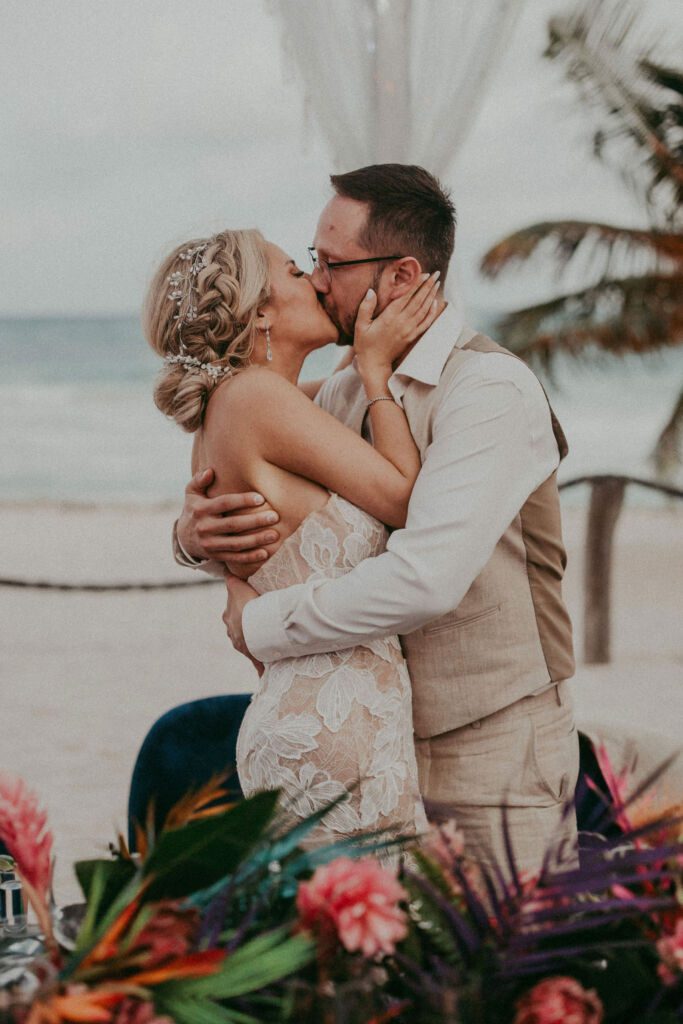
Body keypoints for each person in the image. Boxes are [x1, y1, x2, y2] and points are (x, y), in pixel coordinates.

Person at [175, 164, 580, 876]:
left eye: (329, 264)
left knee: (497, 977)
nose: (318, 279)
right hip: (369, 738)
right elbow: (242, 459)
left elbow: (423, 579)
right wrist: (189, 534)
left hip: (491, 753)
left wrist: (258, 624)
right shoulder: (336, 390)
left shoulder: (488, 390)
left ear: (399, 276)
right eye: (308, 263)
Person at [144, 227, 439, 849]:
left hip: (335, 718)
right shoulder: (252, 399)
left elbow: (341, 401)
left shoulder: (250, 404)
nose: (318, 280)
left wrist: (368, 346)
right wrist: (378, 368)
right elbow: (405, 498)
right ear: (259, 313)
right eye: (297, 272)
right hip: (331, 728)